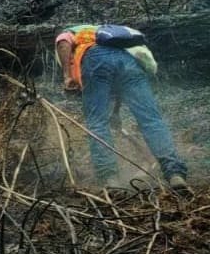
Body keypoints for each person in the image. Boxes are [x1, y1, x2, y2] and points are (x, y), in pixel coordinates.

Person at [55, 25, 188, 191]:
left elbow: (62, 42)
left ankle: (111, 180)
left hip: (96, 58)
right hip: (130, 61)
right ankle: (175, 173)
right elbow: (117, 83)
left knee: (97, 122)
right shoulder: (111, 36)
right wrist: (115, 113)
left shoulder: (75, 33)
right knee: (151, 120)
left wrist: (67, 76)